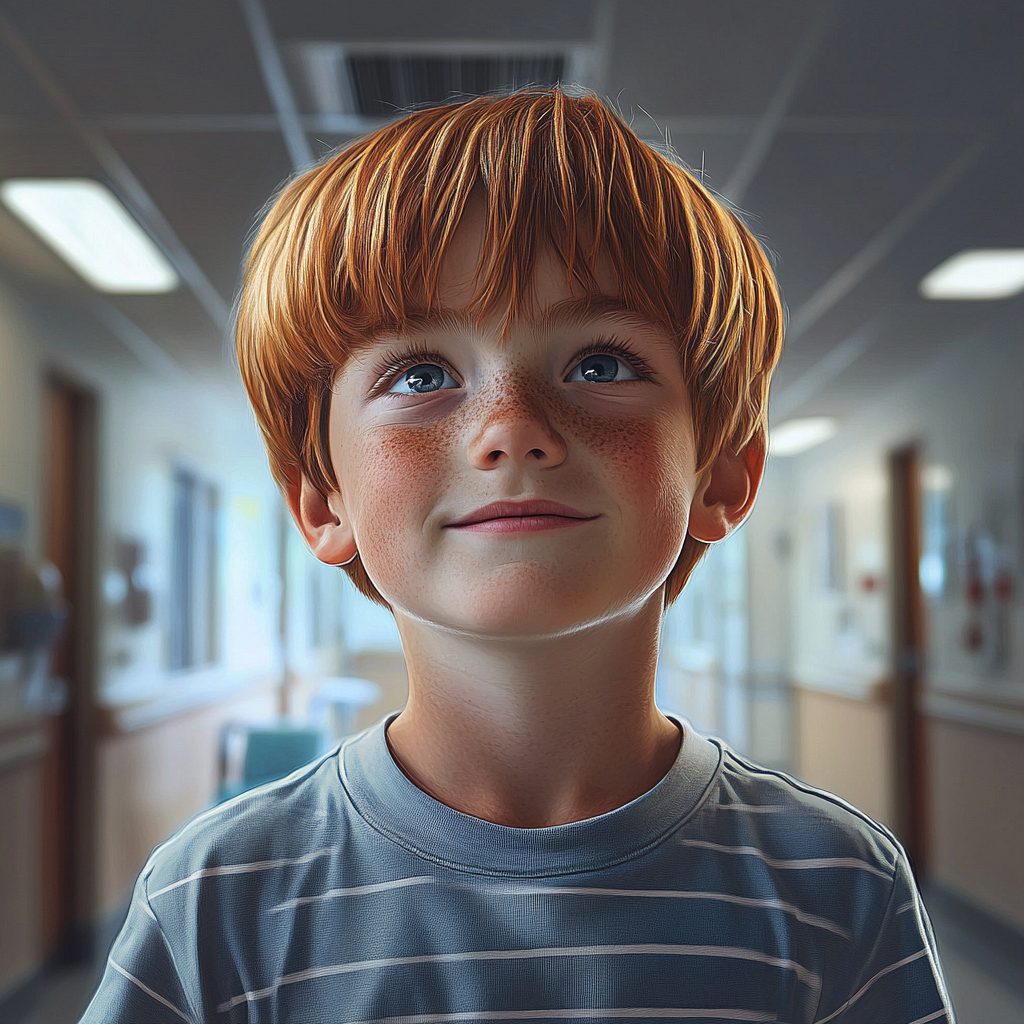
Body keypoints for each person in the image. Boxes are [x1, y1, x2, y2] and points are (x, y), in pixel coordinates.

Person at [80, 89, 954, 1024]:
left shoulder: (839, 887)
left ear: (721, 478)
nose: (511, 430)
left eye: (601, 364)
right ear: (324, 499)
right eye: (421, 374)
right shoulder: (216, 901)